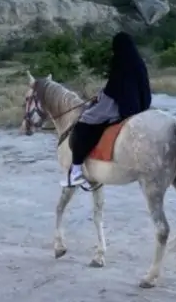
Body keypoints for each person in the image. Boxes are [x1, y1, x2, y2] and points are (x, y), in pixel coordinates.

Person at [65, 32, 152, 188]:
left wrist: (99, 97)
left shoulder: (119, 61)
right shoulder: (139, 62)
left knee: (85, 121)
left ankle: (76, 169)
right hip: (140, 107)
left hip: (121, 107)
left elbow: (113, 89)